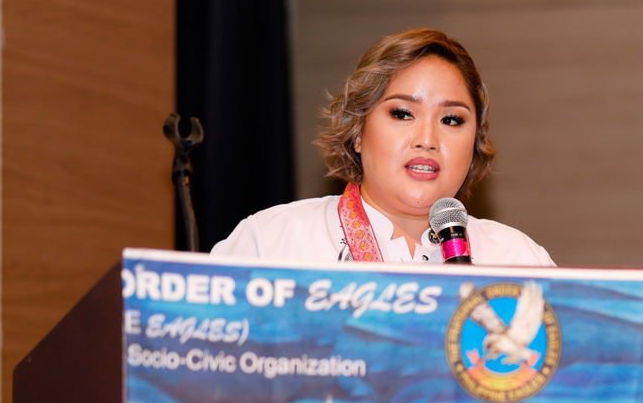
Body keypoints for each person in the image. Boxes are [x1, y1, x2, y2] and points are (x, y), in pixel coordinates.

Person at [211, 29, 554, 266]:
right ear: (358, 130)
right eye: (402, 113)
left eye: (451, 120)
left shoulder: (517, 260)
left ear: (474, 144)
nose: (427, 139)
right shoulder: (274, 242)